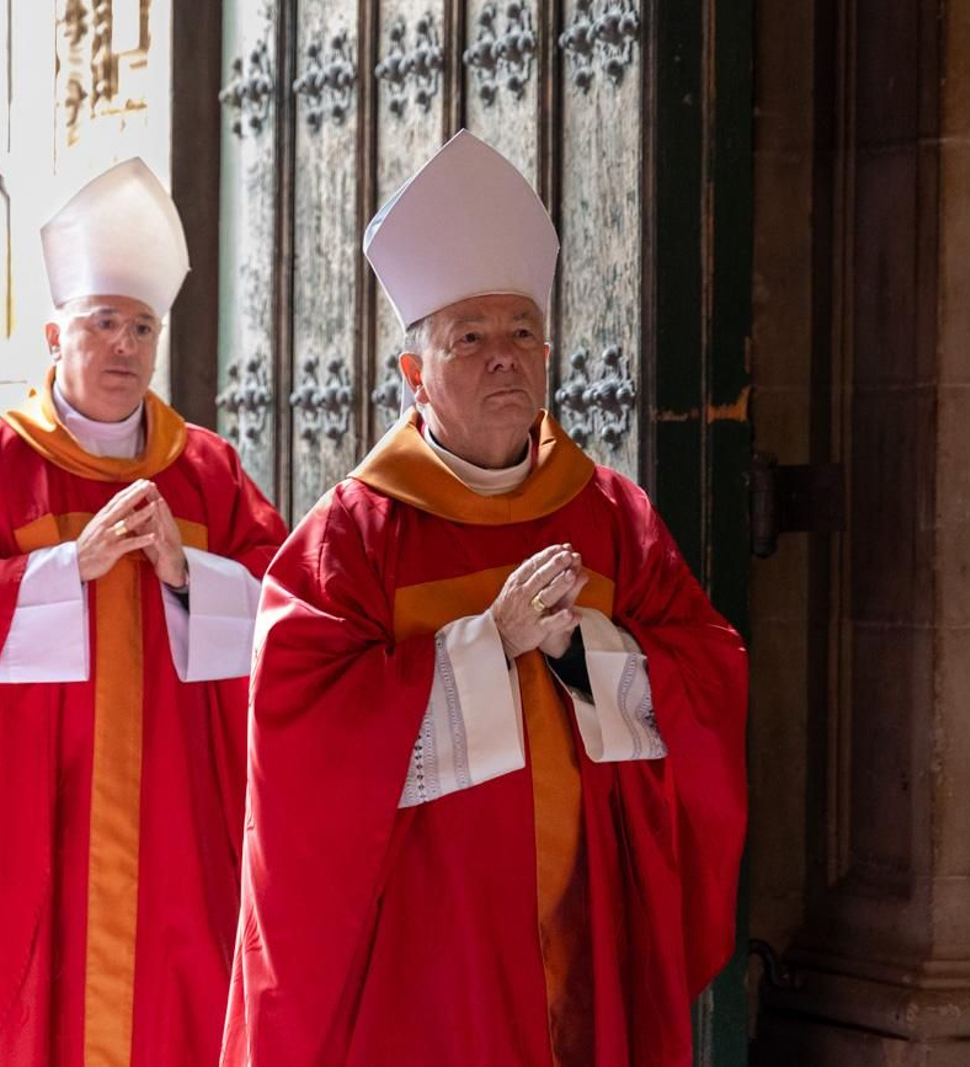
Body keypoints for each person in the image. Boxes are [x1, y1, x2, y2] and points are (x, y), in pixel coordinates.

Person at [223, 130, 749, 1067]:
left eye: (522, 332)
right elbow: (299, 735)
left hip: (584, 933)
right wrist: (483, 646)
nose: (506, 357)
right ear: (414, 374)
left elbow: (708, 672)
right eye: (470, 337)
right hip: (432, 965)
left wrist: (586, 650)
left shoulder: (610, 519)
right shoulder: (354, 539)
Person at [0, 158, 288, 1067]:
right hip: (26, 818)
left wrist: (191, 573)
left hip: (177, 827)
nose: (124, 347)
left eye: (141, 327)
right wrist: (68, 569)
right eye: (102, 323)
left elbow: (285, 612)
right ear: (53, 334)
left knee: (174, 1014)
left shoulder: (208, 472)